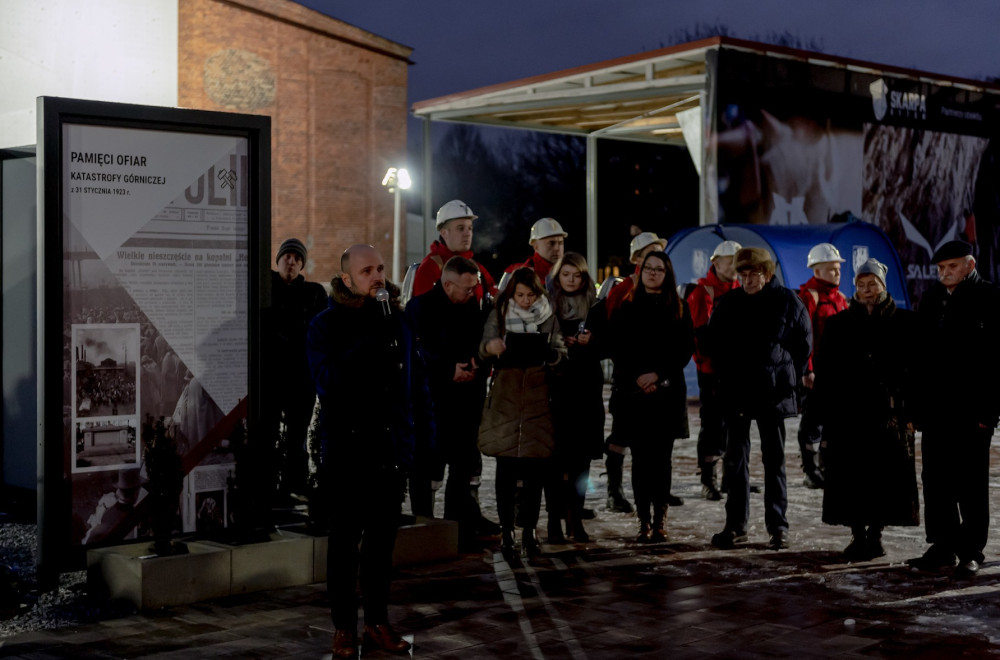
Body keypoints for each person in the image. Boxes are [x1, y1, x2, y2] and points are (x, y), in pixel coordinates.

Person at [307, 244, 433, 657]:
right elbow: (328, 382)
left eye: (379, 268)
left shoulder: (397, 320)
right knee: (344, 545)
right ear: (346, 279)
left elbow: (415, 385)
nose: (377, 276)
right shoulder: (326, 325)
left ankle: (378, 623)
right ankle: (344, 627)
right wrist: (366, 338)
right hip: (347, 452)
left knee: (381, 546)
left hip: (389, 450)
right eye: (366, 271)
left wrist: (418, 442)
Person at [814, 259, 919, 560]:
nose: (866, 290)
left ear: (883, 285)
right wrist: (822, 413)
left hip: (888, 415)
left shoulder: (904, 323)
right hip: (849, 415)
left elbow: (915, 371)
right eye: (861, 285)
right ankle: (857, 534)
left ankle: (876, 534)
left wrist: (911, 412)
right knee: (851, 477)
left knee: (884, 478)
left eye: (872, 284)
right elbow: (826, 373)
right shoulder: (839, 325)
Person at [707, 247, 811, 551]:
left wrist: (788, 376)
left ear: (767, 273)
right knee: (735, 461)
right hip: (737, 392)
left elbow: (803, 344)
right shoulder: (729, 303)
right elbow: (715, 343)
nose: (748, 280)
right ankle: (735, 525)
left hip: (772, 393)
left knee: (774, 460)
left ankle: (778, 526)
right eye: (743, 274)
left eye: (754, 274)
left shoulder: (787, 301)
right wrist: (724, 377)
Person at [910, 240, 1000, 577]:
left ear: (970, 265)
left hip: (972, 412)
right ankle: (943, 546)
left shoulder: (989, 298)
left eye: (952, 266)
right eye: (940, 268)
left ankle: (971, 550)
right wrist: (915, 408)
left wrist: (989, 412)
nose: (945, 273)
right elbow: (919, 357)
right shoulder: (932, 298)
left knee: (971, 483)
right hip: (936, 410)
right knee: (936, 480)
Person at [405, 256, 499, 543]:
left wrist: (476, 365)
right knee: (425, 470)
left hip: (467, 402)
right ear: (447, 285)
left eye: (474, 287)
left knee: (462, 467)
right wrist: (449, 369)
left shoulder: (473, 307)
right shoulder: (420, 308)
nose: (472, 293)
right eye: (467, 288)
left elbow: (482, 344)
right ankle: (424, 529)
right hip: (432, 403)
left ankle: (457, 529)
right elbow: (415, 354)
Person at [478, 267, 567, 557]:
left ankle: (528, 530)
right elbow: (483, 348)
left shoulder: (547, 315)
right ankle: (507, 531)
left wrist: (551, 355)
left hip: (537, 400)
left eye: (530, 295)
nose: (526, 301)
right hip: (506, 398)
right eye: (520, 295)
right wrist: (492, 347)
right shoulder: (499, 314)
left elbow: (560, 352)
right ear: (511, 294)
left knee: (534, 472)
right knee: (505, 469)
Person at [609, 251, 694, 542]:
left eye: (659, 269)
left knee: (661, 460)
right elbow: (619, 348)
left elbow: (684, 349)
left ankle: (660, 520)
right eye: (648, 268)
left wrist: (657, 375)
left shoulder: (679, 307)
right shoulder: (627, 306)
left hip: (666, 395)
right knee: (640, 460)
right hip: (635, 394)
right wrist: (639, 377)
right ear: (641, 271)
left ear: (667, 274)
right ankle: (643, 520)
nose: (653, 273)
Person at [603, 231, 668, 513]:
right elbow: (614, 335)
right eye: (649, 253)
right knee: (621, 435)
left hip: (657, 381)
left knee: (657, 440)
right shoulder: (623, 290)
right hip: (628, 379)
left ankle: (658, 491)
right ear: (637, 259)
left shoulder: (667, 290)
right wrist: (634, 374)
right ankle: (614, 490)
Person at [546, 252, 607, 543]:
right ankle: (554, 521)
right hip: (557, 388)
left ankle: (576, 518)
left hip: (586, 389)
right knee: (555, 460)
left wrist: (591, 341)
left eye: (577, 275)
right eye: (566, 274)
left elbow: (609, 344)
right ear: (557, 277)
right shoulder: (547, 304)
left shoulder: (596, 306)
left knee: (582, 460)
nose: (571, 280)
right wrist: (558, 344)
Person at [263, 237, 328, 506]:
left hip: (300, 378)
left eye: (297, 258)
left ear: (302, 265)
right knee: (267, 433)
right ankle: (267, 485)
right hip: (270, 377)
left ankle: (294, 484)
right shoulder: (264, 286)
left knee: (297, 436)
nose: (291, 262)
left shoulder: (313, 293)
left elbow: (318, 332)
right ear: (278, 260)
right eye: (287, 256)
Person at [687, 239, 742, 500]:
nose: (734, 267)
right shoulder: (703, 292)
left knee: (735, 424)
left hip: (736, 370)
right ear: (716, 263)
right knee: (712, 425)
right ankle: (708, 479)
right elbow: (699, 336)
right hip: (712, 371)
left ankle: (731, 477)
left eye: (737, 262)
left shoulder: (741, 289)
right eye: (729, 262)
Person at [796, 243, 849, 489]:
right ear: (816, 271)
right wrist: (807, 370)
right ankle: (810, 469)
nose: (837, 273)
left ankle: (828, 465)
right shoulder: (809, 297)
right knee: (812, 422)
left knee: (834, 422)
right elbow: (802, 338)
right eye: (831, 269)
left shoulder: (841, 298)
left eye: (838, 268)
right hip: (816, 373)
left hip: (837, 373)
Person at [411, 199, 497, 301]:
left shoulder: (476, 266)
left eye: (470, 228)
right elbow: (423, 307)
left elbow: (496, 295)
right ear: (444, 233)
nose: (467, 234)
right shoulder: (431, 267)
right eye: (461, 228)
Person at [501, 217, 567, 285]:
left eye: (560, 243)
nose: (557, 248)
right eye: (551, 243)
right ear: (536, 246)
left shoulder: (571, 272)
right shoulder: (515, 275)